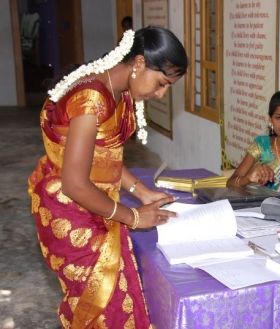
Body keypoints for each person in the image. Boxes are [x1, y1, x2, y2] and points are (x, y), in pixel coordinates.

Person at [28, 26, 187, 328]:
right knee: (101, 300)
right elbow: (75, 183)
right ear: (139, 63)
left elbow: (103, 157)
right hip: (71, 208)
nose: (161, 94)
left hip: (96, 200)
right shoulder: (91, 100)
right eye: (161, 83)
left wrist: (141, 192)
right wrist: (132, 217)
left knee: (118, 296)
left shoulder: (120, 91)